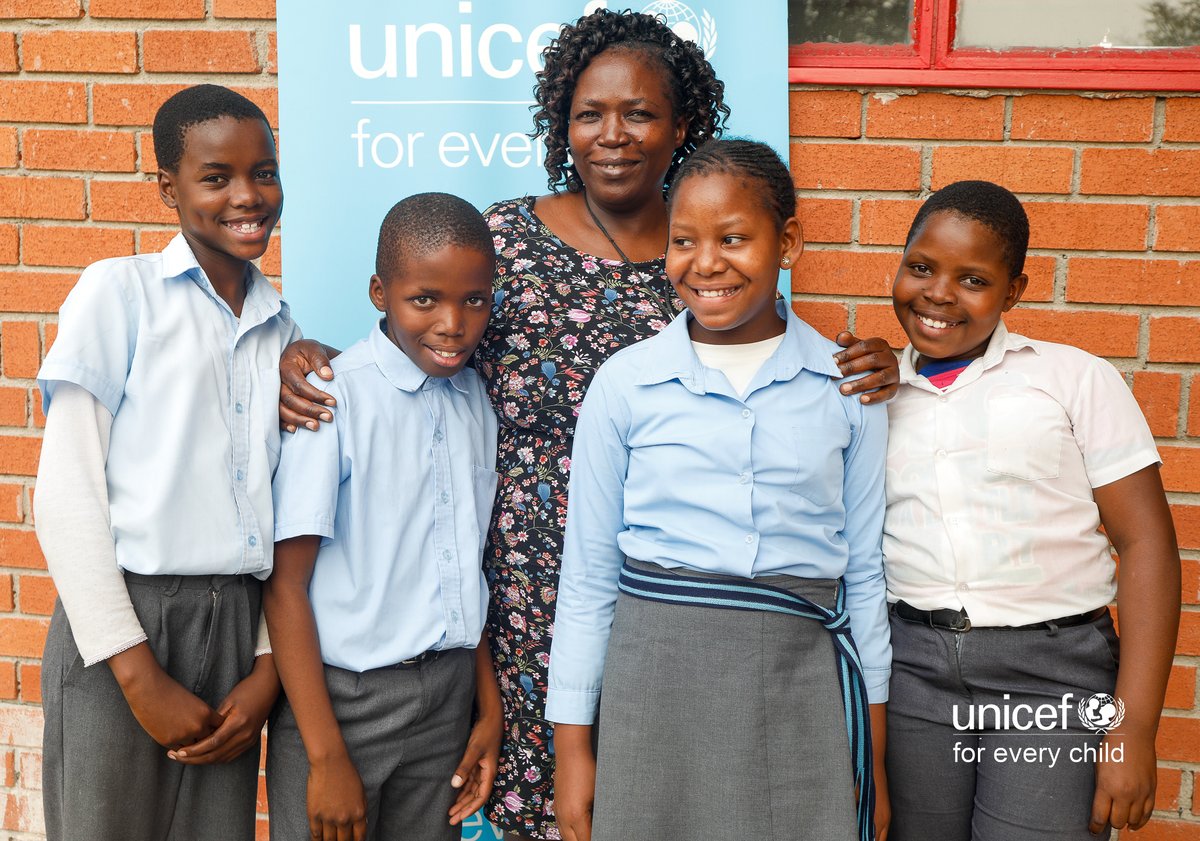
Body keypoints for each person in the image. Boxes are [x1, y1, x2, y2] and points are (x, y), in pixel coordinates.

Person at [276, 11, 901, 839]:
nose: (612, 135)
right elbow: (417, 329)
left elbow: (780, 375)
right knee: (551, 810)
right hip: (520, 600)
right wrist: (300, 356)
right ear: (559, 122)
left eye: (639, 113)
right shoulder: (506, 238)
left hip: (662, 590)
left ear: (682, 125)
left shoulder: (705, 257)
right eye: (588, 113)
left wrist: (884, 363)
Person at [547, 138, 891, 841]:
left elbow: (865, 577)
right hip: (656, 684)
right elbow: (586, 580)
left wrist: (874, 758)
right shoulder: (626, 382)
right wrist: (573, 750)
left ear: (787, 241)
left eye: (733, 238)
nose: (705, 264)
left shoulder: (848, 388)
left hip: (802, 685)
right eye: (683, 241)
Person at [882, 180, 1180, 841]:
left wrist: (1133, 728)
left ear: (1013, 290)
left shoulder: (1074, 379)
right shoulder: (874, 392)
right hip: (914, 673)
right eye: (921, 266)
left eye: (973, 279)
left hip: (1052, 678)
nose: (937, 293)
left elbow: (1147, 544)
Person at [33, 84, 292, 841]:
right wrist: (138, 674)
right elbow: (67, 496)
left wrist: (267, 667)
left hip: (238, 628)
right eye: (217, 177)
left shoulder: (281, 327)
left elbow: (284, 509)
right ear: (167, 188)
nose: (248, 195)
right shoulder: (120, 294)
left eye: (265, 172)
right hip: (126, 624)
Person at [264, 193, 503, 841]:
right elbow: (284, 586)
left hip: (447, 699)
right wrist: (326, 755)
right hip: (344, 704)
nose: (453, 323)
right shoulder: (332, 399)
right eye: (425, 299)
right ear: (380, 291)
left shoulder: (475, 399)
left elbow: (465, 562)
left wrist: (488, 704)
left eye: (475, 300)